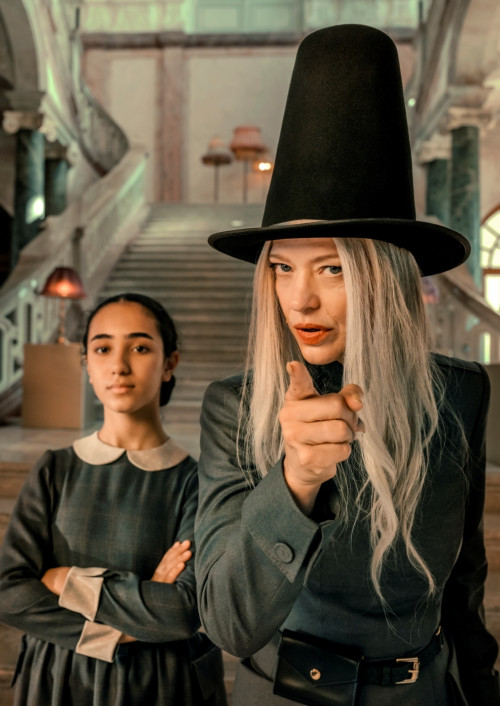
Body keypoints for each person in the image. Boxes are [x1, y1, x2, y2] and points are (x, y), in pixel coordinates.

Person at [194, 24, 500, 706]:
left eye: (332, 268)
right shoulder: (233, 407)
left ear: (382, 276)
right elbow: (227, 622)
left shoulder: (460, 393)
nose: (299, 299)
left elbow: (464, 583)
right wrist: (296, 482)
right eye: (282, 268)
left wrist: (480, 688)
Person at [0, 293, 226, 706]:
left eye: (140, 348)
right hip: (55, 678)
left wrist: (66, 581)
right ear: (86, 364)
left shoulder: (196, 482)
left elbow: (181, 611)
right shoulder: (54, 469)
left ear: (170, 363)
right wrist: (133, 613)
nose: (119, 366)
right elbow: (10, 592)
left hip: (157, 683)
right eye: (103, 349)